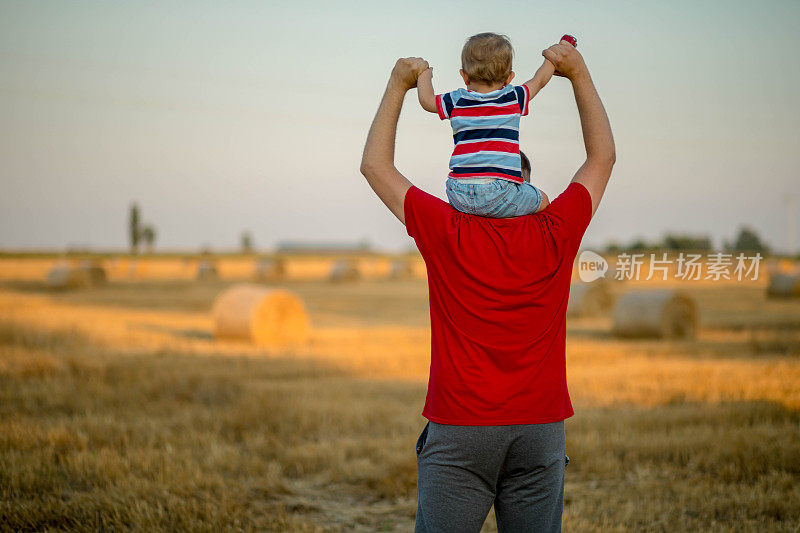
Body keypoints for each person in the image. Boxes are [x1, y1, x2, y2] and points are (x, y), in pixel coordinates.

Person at [360, 40, 615, 532]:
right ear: (521, 183)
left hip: (461, 425)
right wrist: (578, 73)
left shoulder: (448, 227)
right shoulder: (556, 228)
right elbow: (602, 157)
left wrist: (397, 87)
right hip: (541, 426)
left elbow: (375, 166)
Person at [416, 32, 561, 218]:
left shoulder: (457, 100)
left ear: (464, 76)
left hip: (458, 192)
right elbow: (539, 80)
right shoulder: (513, 97)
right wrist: (552, 58)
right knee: (543, 200)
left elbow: (426, 100)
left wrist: (424, 74)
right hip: (499, 193)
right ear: (509, 78)